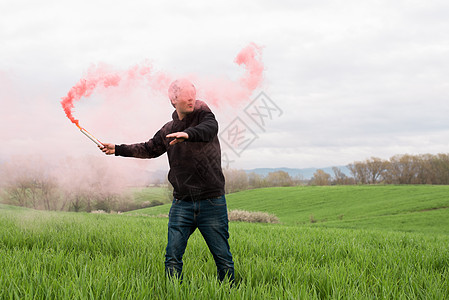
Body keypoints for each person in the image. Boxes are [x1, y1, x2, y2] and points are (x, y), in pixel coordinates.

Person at [101, 79, 235, 283]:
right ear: (173, 99)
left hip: (211, 201)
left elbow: (210, 129)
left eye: (194, 93)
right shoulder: (168, 130)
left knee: (223, 259)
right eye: (186, 95)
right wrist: (117, 149)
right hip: (182, 203)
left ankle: (230, 292)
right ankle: (173, 291)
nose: (192, 98)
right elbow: (148, 149)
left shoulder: (205, 116)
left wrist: (188, 134)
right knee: (172, 258)